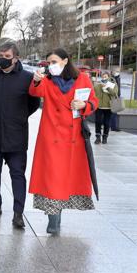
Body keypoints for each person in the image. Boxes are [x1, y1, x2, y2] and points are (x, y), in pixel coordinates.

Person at [29, 48, 99, 234]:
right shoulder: (47, 81)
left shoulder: (82, 78)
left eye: (54, 62)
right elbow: (35, 92)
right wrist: (36, 80)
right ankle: (53, 217)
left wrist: (84, 105)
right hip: (51, 136)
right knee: (53, 177)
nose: (51, 66)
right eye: (48, 63)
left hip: (73, 138)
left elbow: (93, 101)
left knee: (65, 178)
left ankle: (58, 214)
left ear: (65, 61)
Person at [0, 42, 41, 228]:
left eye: (7, 57)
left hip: (16, 136)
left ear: (16, 58)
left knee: (18, 175)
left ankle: (18, 213)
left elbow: (34, 104)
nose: (2, 59)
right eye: (0, 55)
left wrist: (17, 117)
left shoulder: (27, 78)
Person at [94, 71, 119, 144]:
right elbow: (93, 94)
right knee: (98, 122)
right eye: (103, 76)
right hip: (99, 106)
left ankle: (105, 137)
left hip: (108, 107)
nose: (104, 78)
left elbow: (115, 93)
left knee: (106, 123)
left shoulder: (113, 84)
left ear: (108, 77)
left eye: (105, 76)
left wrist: (107, 88)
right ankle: (98, 137)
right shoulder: (97, 85)